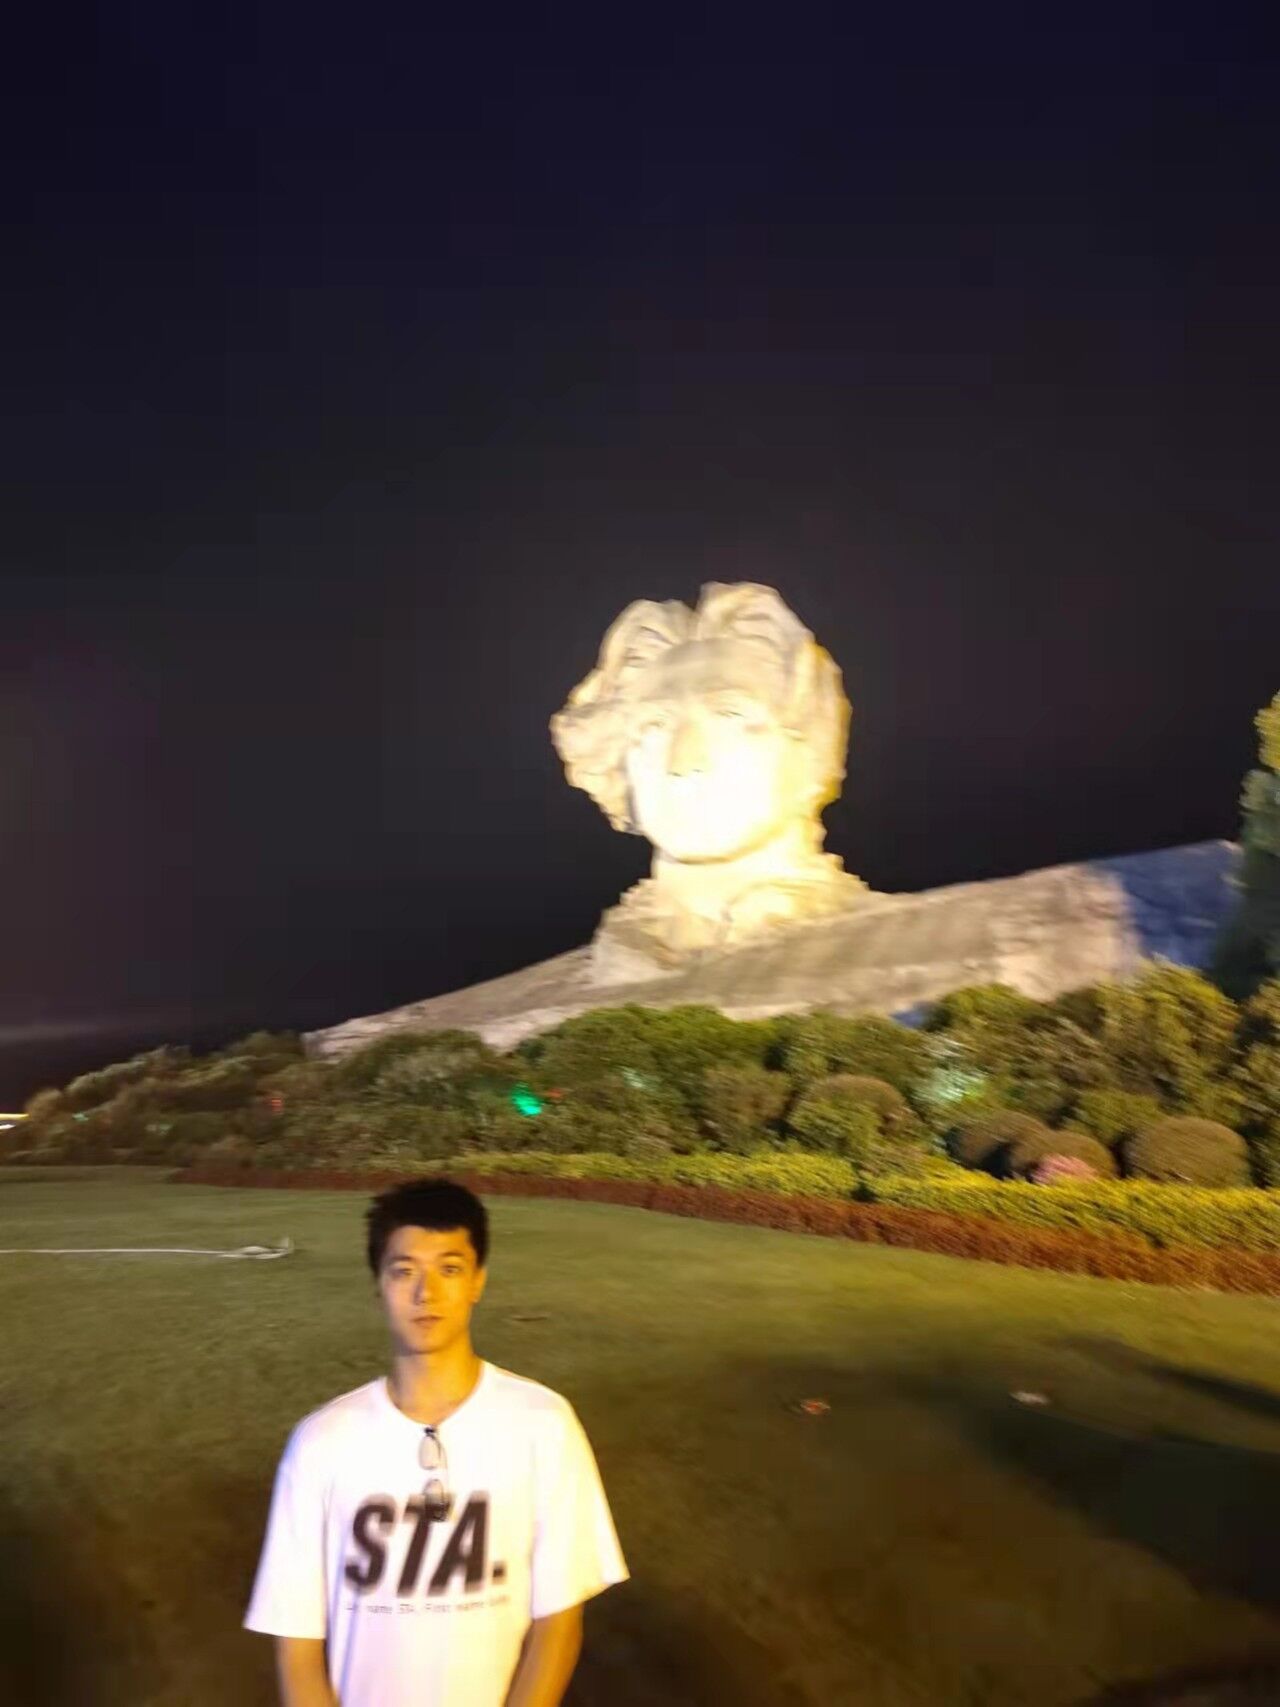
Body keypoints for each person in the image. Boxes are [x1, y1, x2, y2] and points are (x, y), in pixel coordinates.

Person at [245, 1177, 628, 1706]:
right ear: (378, 1283)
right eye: (404, 1271)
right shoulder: (321, 1444)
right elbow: (297, 1648)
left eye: (449, 1269)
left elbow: (557, 1625)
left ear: (478, 1280)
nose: (426, 1294)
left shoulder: (543, 1424)